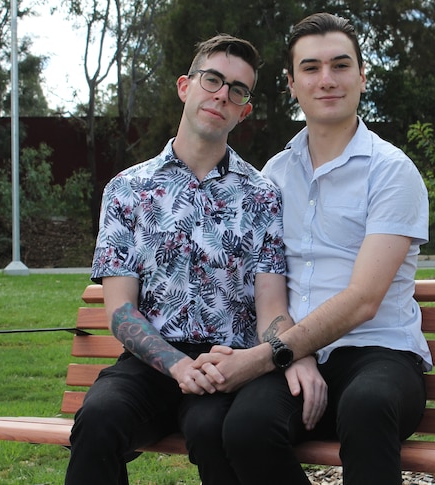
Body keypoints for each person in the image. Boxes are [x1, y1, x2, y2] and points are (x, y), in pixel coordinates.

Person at [64, 34, 325, 485]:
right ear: (186, 86)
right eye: (213, 80)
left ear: (243, 111)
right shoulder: (127, 189)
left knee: (214, 430)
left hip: (227, 364)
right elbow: (121, 310)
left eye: (237, 90)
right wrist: (178, 366)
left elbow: (270, 306)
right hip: (150, 365)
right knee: (99, 419)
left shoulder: (262, 195)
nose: (222, 94)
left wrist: (291, 351)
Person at [196, 12, 431, 485]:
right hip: (296, 356)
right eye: (311, 68)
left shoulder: (391, 171)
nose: (327, 80)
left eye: (340, 66)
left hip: (379, 354)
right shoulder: (276, 174)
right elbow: (271, 289)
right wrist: (293, 354)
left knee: (366, 407)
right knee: (244, 428)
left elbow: (364, 300)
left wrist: (268, 355)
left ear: (362, 77)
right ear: (291, 83)